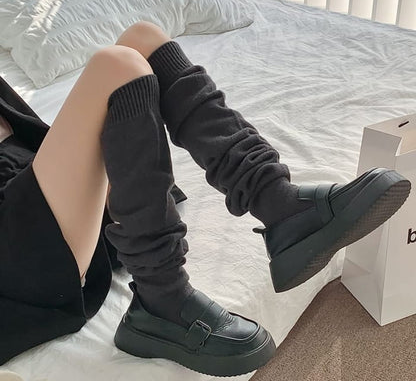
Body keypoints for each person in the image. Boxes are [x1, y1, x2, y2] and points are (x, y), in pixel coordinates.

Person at [0, 21, 411, 376]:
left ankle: (279, 203)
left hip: (32, 190)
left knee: (143, 39)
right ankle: (161, 297)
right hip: (16, 256)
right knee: (117, 67)